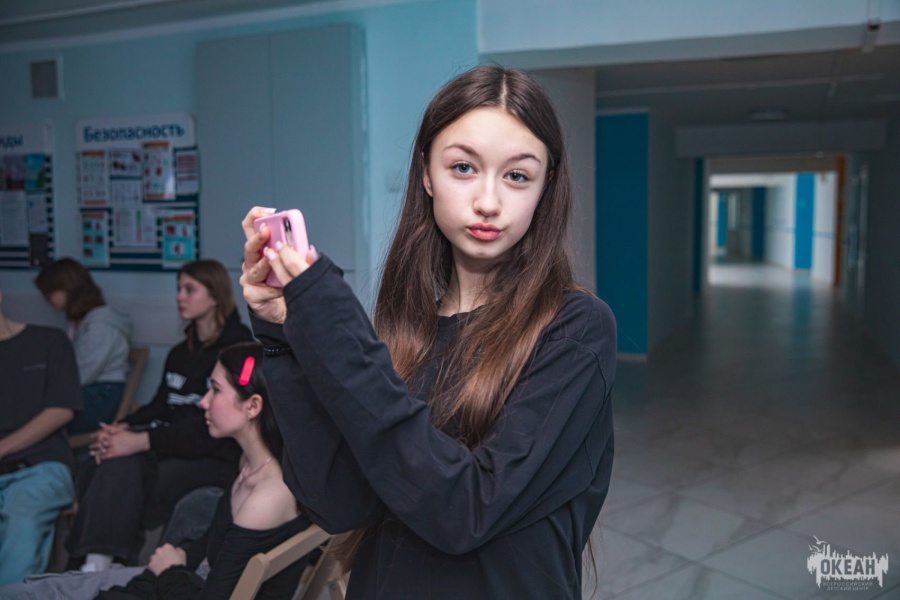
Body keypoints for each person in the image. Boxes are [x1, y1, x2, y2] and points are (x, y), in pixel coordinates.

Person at [241, 65, 617, 599]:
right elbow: (339, 505)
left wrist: (332, 323)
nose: (489, 202)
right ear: (426, 174)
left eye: (517, 176)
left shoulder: (576, 329)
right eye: (463, 167)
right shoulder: (406, 332)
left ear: (545, 188)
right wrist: (287, 339)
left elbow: (466, 511)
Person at [0, 343, 314, 600]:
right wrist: (173, 561)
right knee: (36, 590)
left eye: (215, 390)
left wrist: (169, 570)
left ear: (252, 406)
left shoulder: (266, 498)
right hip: (186, 580)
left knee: (34, 593)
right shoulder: (251, 463)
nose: (204, 402)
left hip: (187, 585)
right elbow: (213, 545)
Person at [65, 260, 253, 572]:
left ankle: (95, 565)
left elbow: (210, 430)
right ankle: (103, 563)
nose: (180, 297)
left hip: (213, 454)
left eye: (189, 290)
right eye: (178, 289)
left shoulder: (237, 352)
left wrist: (140, 441)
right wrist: (120, 428)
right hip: (169, 444)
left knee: (125, 466)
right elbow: (159, 406)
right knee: (107, 457)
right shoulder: (180, 351)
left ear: (214, 297)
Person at [0, 287, 82, 585]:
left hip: (40, 466)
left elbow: (61, 410)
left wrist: (3, 447)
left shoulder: (48, 342)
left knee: (22, 519)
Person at [35, 258, 132, 435]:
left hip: (100, 395)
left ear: (68, 289)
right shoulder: (78, 322)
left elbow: (84, 373)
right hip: (84, 392)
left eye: (50, 293)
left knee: (36, 414)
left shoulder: (101, 326)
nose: (47, 300)